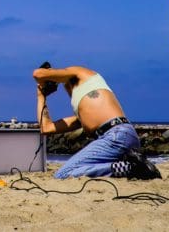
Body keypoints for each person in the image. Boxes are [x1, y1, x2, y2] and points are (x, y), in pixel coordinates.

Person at [32, 64, 160, 179]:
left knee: (63, 174)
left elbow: (38, 74)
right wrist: (41, 96)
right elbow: (46, 128)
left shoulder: (80, 73)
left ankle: (130, 168)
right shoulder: (84, 115)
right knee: (75, 170)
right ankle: (133, 164)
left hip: (115, 134)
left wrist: (47, 75)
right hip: (123, 137)